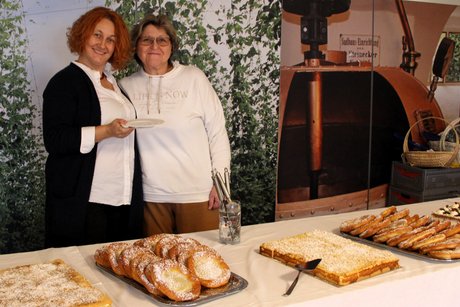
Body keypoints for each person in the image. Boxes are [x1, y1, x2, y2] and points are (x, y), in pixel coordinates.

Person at [119, 14, 231, 235]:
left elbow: (217, 132)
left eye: (162, 40)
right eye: (146, 40)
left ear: (172, 46)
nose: (154, 46)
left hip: (198, 195)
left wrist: (222, 185)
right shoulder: (125, 86)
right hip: (151, 198)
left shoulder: (194, 78)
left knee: (201, 264)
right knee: (158, 265)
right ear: (136, 47)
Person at [42, 7, 144, 247]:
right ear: (82, 35)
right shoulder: (64, 82)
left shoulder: (113, 84)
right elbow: (55, 139)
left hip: (122, 196)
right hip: (87, 200)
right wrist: (106, 131)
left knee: (118, 273)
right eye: (97, 35)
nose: (103, 44)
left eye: (111, 39)